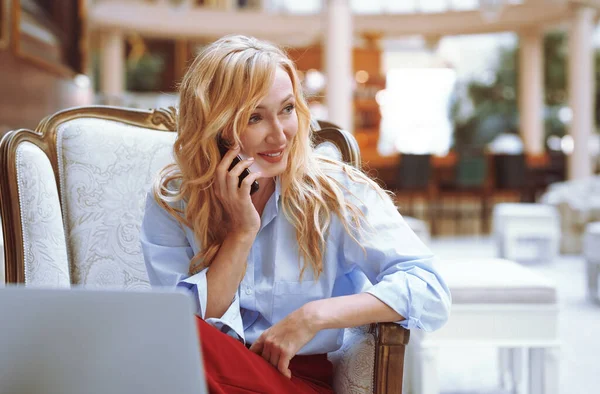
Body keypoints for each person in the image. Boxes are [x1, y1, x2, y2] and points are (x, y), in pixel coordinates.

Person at [140, 35, 451, 394]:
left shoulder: (336, 191)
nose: (280, 135)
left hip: (295, 381)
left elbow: (429, 289)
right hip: (205, 376)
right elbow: (190, 330)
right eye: (255, 117)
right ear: (216, 124)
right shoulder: (175, 200)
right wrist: (241, 233)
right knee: (173, 333)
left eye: (287, 109)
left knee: (166, 338)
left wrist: (313, 316)